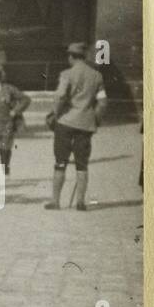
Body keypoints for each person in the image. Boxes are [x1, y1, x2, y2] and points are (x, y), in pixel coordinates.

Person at [47, 41, 107, 211]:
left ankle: (55, 201)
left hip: (65, 122)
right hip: (86, 124)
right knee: (82, 164)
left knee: (60, 162)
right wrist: (95, 119)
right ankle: (80, 202)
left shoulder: (67, 74)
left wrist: (55, 114)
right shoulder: (97, 76)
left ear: (71, 57)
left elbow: (59, 97)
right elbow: (103, 103)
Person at [0, 65, 30, 176]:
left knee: (4, 149)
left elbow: (25, 99)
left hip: (6, 125)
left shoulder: (9, 89)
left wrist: (15, 111)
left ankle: (5, 168)